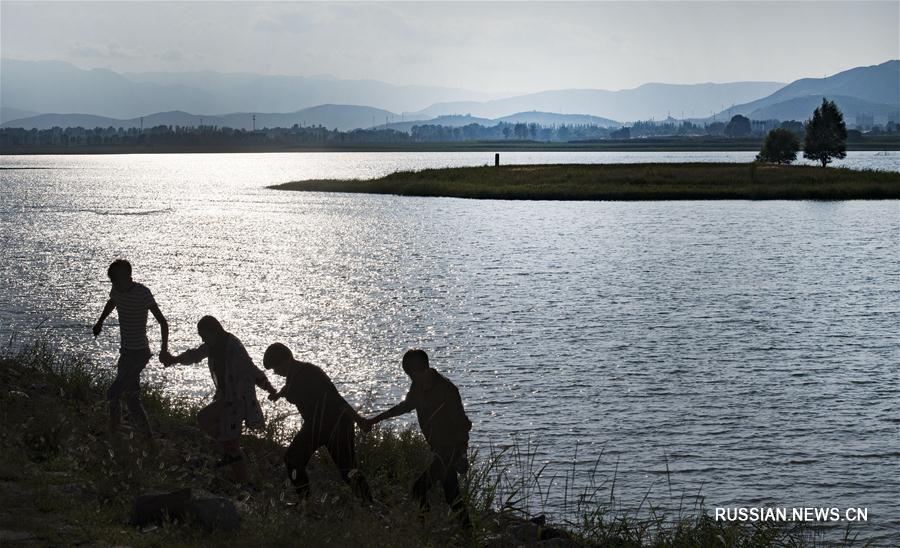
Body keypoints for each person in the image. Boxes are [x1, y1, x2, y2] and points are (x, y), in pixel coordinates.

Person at [161, 315, 277, 484]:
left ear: (214, 331)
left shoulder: (233, 346)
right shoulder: (212, 345)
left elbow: (250, 369)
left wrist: (269, 387)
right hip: (225, 397)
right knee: (226, 440)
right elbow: (195, 355)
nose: (203, 339)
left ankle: (241, 479)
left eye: (204, 335)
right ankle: (237, 474)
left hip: (237, 400)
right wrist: (174, 360)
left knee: (219, 433)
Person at [364, 349, 472, 526]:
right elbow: (404, 407)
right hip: (438, 449)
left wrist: (462, 454)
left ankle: (424, 527)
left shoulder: (447, 390)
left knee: (419, 489)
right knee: (452, 496)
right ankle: (467, 533)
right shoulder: (417, 386)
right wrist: (374, 420)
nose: (411, 379)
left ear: (424, 369)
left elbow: (463, 424)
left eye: (412, 374)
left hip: (449, 451)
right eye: (409, 375)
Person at [263, 343, 372, 503]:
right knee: (293, 459)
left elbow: (336, 399)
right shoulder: (293, 374)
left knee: (347, 469)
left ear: (286, 360)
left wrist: (359, 420)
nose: (275, 372)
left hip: (336, 425)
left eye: (275, 367)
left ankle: (368, 504)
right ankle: (305, 501)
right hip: (316, 425)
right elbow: (289, 388)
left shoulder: (309, 373)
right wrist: (279, 394)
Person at [93, 259, 168, 438]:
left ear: (128, 277)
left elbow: (163, 322)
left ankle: (120, 430)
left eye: (117, 281)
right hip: (126, 352)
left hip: (140, 353)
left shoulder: (143, 293)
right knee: (131, 396)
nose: (115, 286)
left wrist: (163, 350)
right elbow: (113, 301)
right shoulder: (116, 291)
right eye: (113, 282)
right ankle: (137, 433)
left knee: (113, 393)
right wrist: (100, 321)